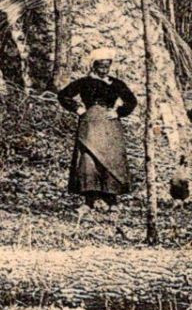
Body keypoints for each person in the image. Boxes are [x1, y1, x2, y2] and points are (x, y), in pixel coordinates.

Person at [57, 48, 138, 211]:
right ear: (94, 66)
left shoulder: (116, 83)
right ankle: (88, 201)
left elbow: (131, 101)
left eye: (107, 66)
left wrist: (118, 112)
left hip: (110, 127)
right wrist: (77, 109)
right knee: (88, 160)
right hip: (90, 125)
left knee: (112, 159)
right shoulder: (84, 82)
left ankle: (112, 200)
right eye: (101, 66)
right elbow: (63, 95)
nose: (104, 69)